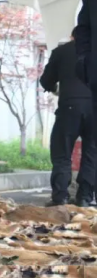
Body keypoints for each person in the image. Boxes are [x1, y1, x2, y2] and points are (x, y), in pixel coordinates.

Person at [40, 28, 95, 207]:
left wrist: (58, 89)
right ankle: (85, 197)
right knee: (92, 152)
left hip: (69, 107)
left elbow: (46, 80)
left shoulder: (62, 51)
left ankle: (60, 197)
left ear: (73, 37)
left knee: (62, 152)